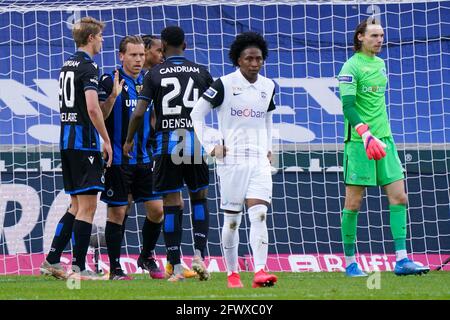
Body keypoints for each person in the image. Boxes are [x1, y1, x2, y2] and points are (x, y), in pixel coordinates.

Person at [337, 18, 430, 277]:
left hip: (385, 140)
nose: (380, 40)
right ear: (360, 37)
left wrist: (379, 137)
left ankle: (401, 260)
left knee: (400, 197)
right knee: (353, 204)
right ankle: (350, 262)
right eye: (374, 35)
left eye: (381, 36)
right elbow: (348, 107)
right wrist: (366, 135)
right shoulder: (350, 67)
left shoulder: (381, 64)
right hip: (359, 143)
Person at [124, 26, 213, 282]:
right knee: (199, 198)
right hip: (193, 140)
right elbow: (218, 104)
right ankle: (199, 255)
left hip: (167, 142)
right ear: (185, 44)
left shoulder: (154, 73)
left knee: (171, 203)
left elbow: (139, 112)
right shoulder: (201, 71)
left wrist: (129, 140)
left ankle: (174, 264)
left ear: (162, 47)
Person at [190, 31, 278, 288]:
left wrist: (269, 147)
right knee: (232, 220)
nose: (255, 63)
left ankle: (260, 271)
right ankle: (233, 274)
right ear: (238, 60)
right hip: (231, 161)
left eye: (259, 59)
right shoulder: (223, 84)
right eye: (249, 59)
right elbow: (196, 114)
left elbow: (268, 119)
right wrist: (211, 145)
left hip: (259, 161)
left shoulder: (268, 86)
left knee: (260, 214)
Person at [40, 16, 112, 280]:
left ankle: (52, 260)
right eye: (101, 37)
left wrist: (112, 96)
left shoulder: (67, 66)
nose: (103, 41)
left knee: (75, 205)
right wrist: (106, 140)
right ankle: (79, 269)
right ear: (92, 38)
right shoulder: (89, 67)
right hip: (84, 144)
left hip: (67, 142)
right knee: (88, 207)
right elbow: (93, 109)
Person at [98, 35, 165, 280]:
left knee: (157, 210)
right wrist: (113, 97)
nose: (138, 59)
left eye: (141, 55)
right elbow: (97, 115)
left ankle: (146, 256)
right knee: (117, 212)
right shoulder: (109, 80)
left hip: (145, 159)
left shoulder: (148, 82)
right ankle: (115, 268)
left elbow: (152, 118)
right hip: (118, 160)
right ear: (121, 56)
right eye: (133, 55)